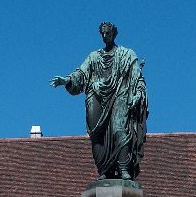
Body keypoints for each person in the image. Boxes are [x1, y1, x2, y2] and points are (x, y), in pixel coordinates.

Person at [50, 22, 148, 181]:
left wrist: (137, 94)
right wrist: (67, 80)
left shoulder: (127, 54)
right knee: (96, 135)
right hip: (96, 96)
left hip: (120, 95)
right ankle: (104, 169)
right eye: (102, 33)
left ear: (114, 34)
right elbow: (81, 73)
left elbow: (137, 77)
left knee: (120, 129)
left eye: (107, 33)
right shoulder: (94, 57)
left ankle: (123, 168)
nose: (104, 36)